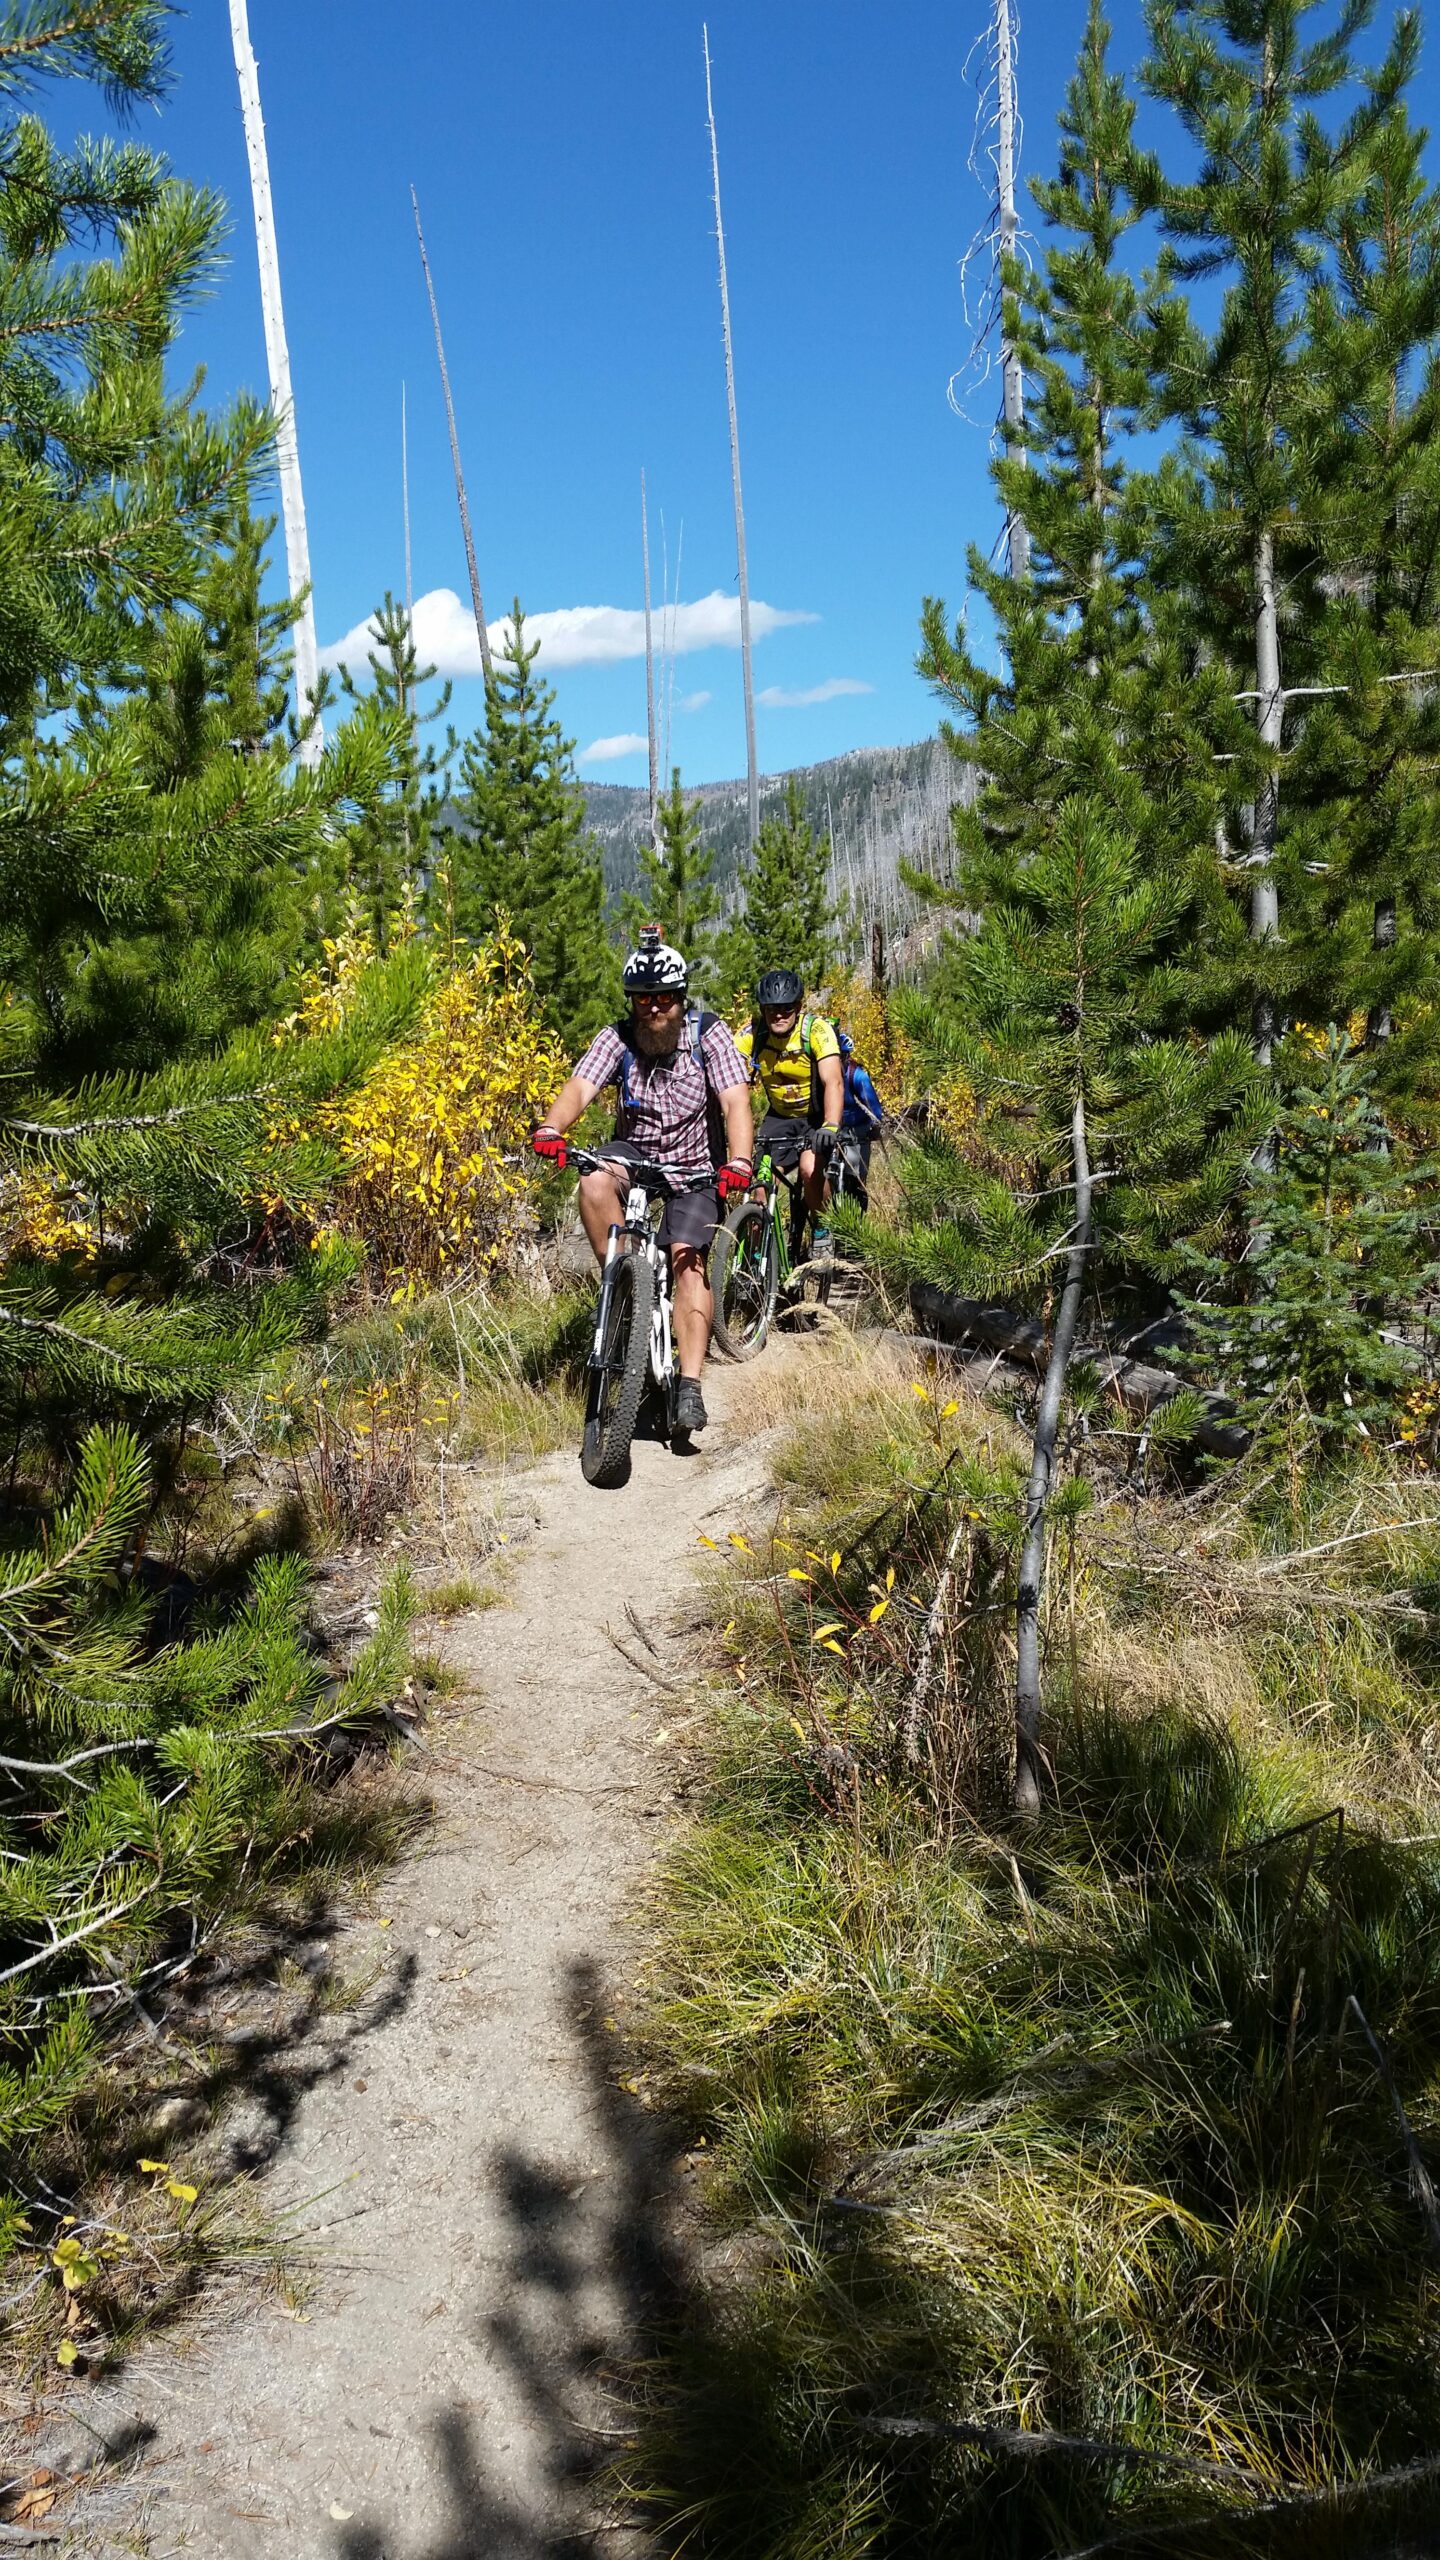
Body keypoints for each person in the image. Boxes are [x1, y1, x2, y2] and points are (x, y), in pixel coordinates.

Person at [531, 930, 752, 1436]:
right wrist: (551, 1127)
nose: (655, 1009)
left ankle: (690, 1387)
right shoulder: (618, 1038)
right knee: (592, 1181)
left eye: (666, 998)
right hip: (634, 1155)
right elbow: (582, 1085)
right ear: (633, 1002)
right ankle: (625, 1285)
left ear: (681, 998)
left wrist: (739, 1160)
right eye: (644, 999)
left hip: (695, 1165)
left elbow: (736, 1101)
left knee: (687, 1262)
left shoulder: (707, 1034)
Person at [733, 969, 844, 1228]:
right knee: (760, 1186)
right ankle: (759, 1259)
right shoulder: (752, 1033)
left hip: (815, 1115)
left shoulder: (816, 1030)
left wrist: (830, 1124)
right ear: (762, 1009)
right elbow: (729, 1077)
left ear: (798, 1006)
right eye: (772, 1008)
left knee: (809, 1169)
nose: (779, 1014)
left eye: (786, 1008)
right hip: (779, 1117)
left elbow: (834, 1082)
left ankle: (822, 1230)